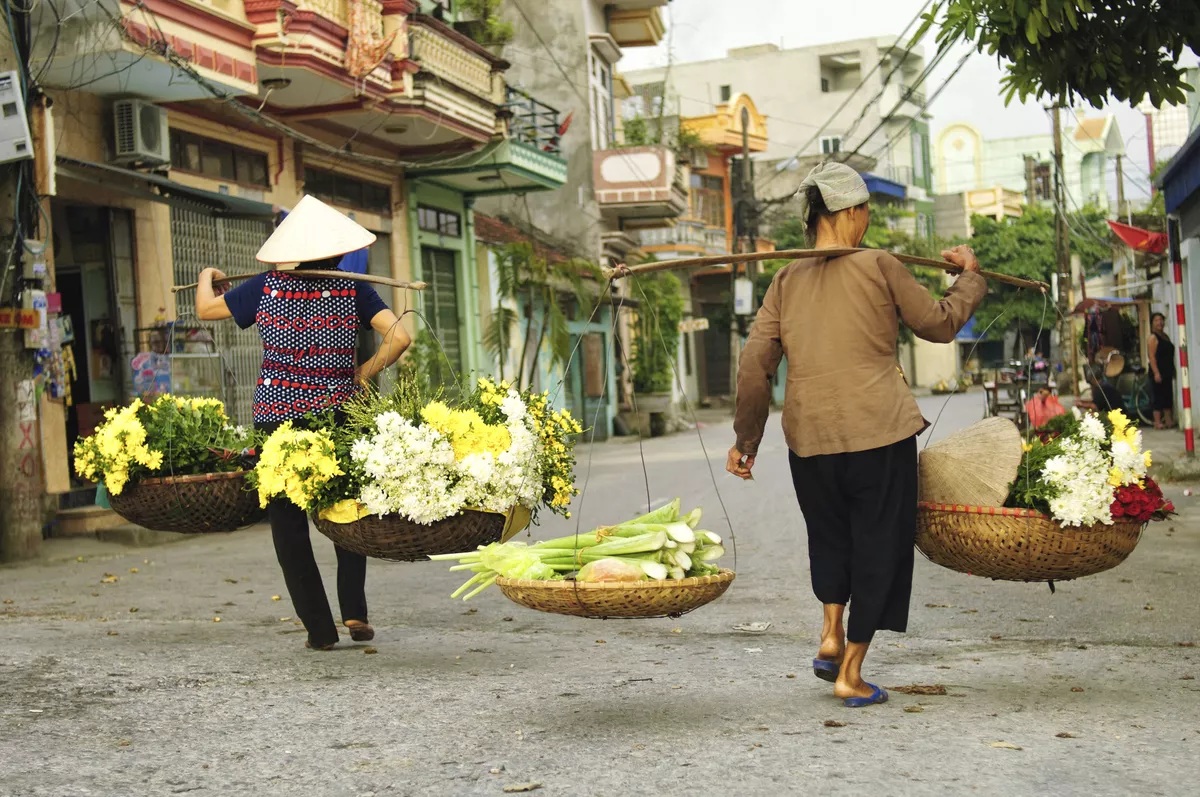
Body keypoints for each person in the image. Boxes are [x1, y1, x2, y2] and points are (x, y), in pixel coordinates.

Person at [726, 163, 986, 709]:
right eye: (865, 211)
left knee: (829, 538)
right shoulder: (881, 265)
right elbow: (938, 323)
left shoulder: (785, 279)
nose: (866, 221)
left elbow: (754, 367)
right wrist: (969, 276)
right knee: (879, 547)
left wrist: (746, 441)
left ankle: (829, 632)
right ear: (850, 213)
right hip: (879, 434)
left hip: (809, 440)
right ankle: (850, 672)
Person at [195, 195, 411, 651]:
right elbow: (401, 335)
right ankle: (354, 610)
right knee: (346, 510)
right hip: (338, 414)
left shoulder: (267, 286)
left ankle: (319, 628)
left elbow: (206, 311)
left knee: (288, 523)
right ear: (337, 250)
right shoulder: (353, 287)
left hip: (279, 420)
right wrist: (363, 373)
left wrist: (206, 279)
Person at [1148, 312, 1176, 429]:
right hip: (1158, 371)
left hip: (1167, 371)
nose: (1159, 323)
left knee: (1168, 396)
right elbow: (1152, 356)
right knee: (1158, 396)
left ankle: (1169, 420)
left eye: (1161, 320)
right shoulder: (1153, 338)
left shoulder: (1165, 336)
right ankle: (1157, 422)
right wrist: (1156, 373)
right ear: (1152, 323)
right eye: (1156, 320)